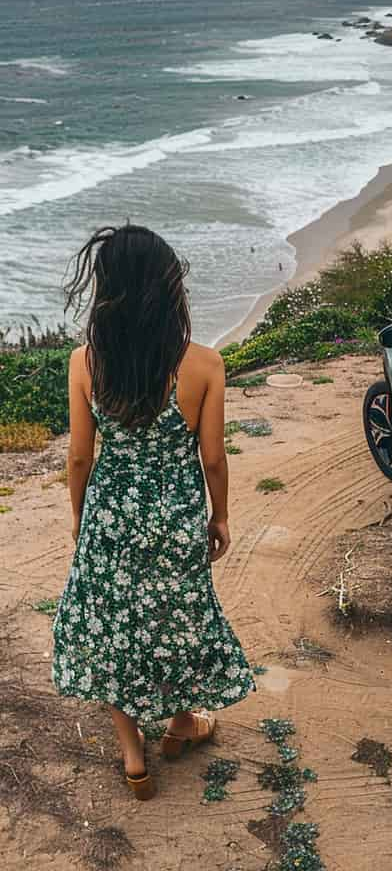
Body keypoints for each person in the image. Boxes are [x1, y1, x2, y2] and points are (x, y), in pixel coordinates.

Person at [52, 224, 255, 801]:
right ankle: (182, 723)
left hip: (110, 516)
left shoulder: (84, 363)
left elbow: (79, 458)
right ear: (169, 290)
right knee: (178, 615)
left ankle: (133, 755)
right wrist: (220, 518)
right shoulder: (204, 364)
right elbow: (213, 458)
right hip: (175, 516)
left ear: (107, 290)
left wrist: (80, 518)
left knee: (116, 625)